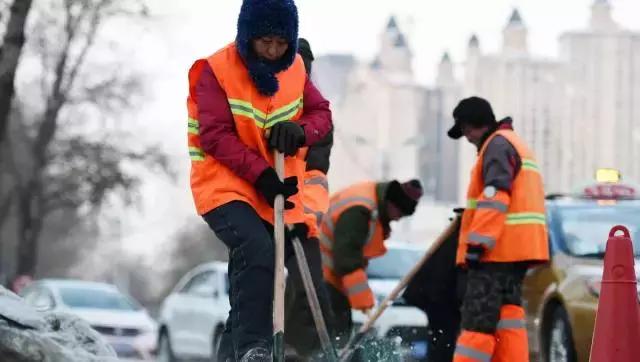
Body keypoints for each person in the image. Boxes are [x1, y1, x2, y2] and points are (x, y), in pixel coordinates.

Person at [185, 0, 333, 360]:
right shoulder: (215, 70)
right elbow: (215, 136)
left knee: (250, 286)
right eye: (265, 41)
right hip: (223, 186)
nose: (272, 50)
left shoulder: (295, 67)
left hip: (269, 190)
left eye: (281, 43)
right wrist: (263, 174)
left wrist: (298, 131)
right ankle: (256, 348)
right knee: (257, 249)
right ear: (247, 34)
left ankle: (237, 349)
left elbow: (321, 114)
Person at [447, 97, 549, 362]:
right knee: (508, 319)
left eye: (466, 131)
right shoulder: (514, 143)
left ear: (472, 125)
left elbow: (496, 193)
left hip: (495, 252)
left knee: (477, 321)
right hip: (516, 254)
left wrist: (476, 245)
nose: (468, 138)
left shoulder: (496, 145)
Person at [283, 37, 336, 360]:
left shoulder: (319, 117)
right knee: (257, 287)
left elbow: (316, 174)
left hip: (300, 215)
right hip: (262, 210)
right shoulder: (262, 104)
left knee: (311, 284)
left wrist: (306, 214)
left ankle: (309, 350)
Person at [319, 180, 423, 343]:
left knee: (337, 338)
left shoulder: (372, 204)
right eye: (400, 215)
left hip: (330, 282)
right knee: (318, 345)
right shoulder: (360, 209)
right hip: (317, 281)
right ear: (393, 205)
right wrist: (364, 301)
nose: (397, 220)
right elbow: (347, 258)